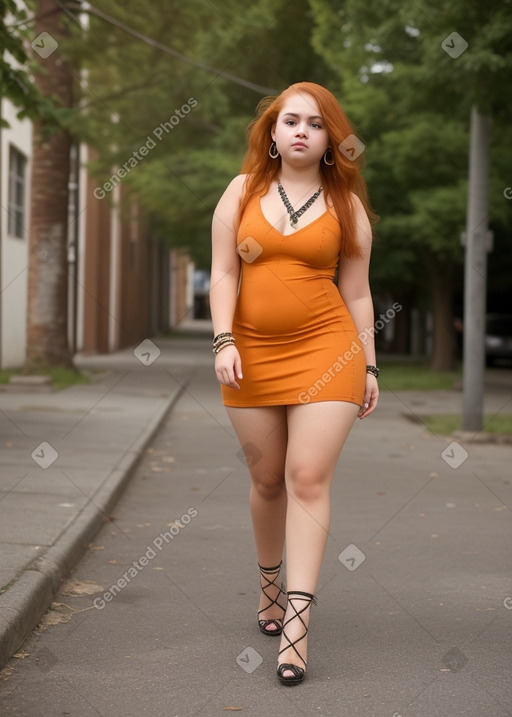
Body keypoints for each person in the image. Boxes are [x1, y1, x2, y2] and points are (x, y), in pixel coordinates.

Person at [209, 81, 379, 686]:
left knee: (306, 477)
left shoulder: (347, 205)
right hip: (249, 353)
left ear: (332, 138)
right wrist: (223, 339)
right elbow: (224, 274)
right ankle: (269, 588)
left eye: (315, 122)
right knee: (265, 477)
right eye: (290, 121)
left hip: (328, 353)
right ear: (273, 133)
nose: (301, 130)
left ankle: (298, 624)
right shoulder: (242, 191)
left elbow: (357, 293)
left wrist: (371, 364)